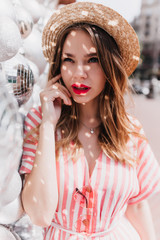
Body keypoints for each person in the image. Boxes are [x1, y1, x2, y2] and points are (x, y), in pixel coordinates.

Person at [19, 2, 160, 240]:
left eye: (92, 59)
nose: (78, 72)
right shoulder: (39, 122)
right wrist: (48, 125)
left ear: (109, 66)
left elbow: (137, 205)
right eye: (69, 60)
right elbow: (40, 215)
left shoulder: (130, 132)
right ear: (58, 66)